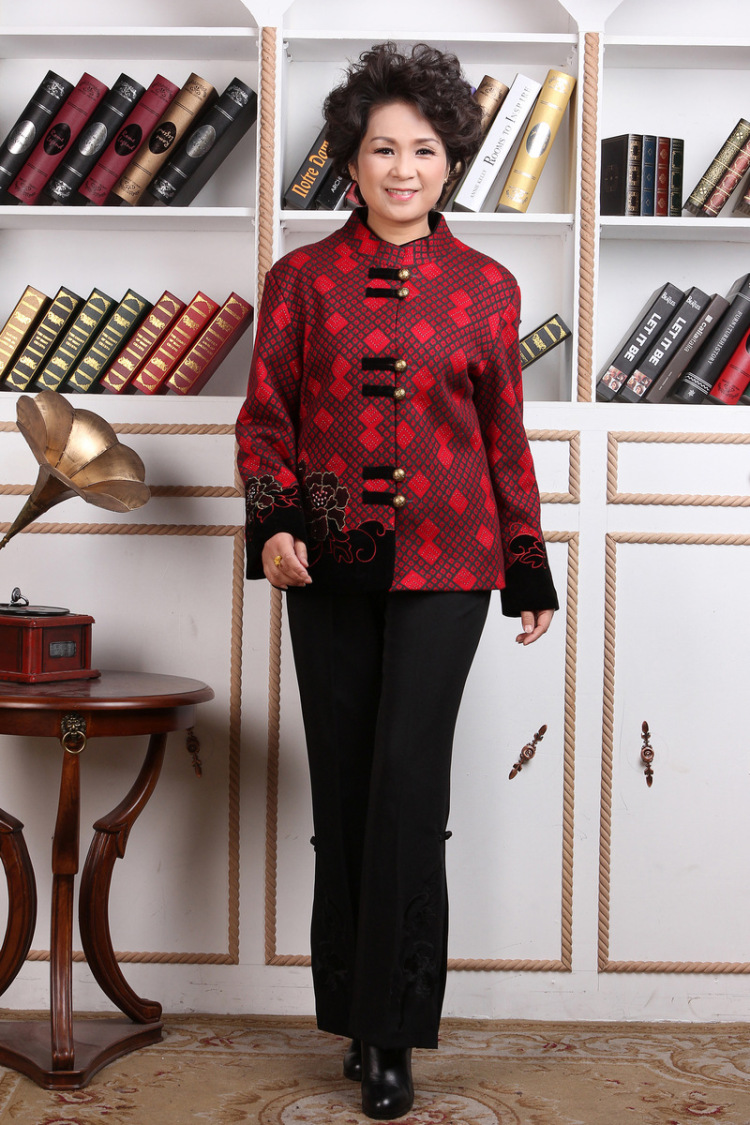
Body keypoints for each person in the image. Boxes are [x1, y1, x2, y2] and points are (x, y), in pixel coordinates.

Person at [236, 42, 559, 1121]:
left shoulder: (488, 288)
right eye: (383, 149)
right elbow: (265, 420)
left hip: (449, 563)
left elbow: (504, 438)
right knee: (343, 792)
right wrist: (277, 525)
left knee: (410, 791)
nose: (403, 168)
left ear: (450, 159)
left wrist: (527, 567)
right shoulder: (300, 281)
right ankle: (352, 1012)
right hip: (326, 563)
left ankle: (394, 1034)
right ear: (351, 160)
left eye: (423, 149)